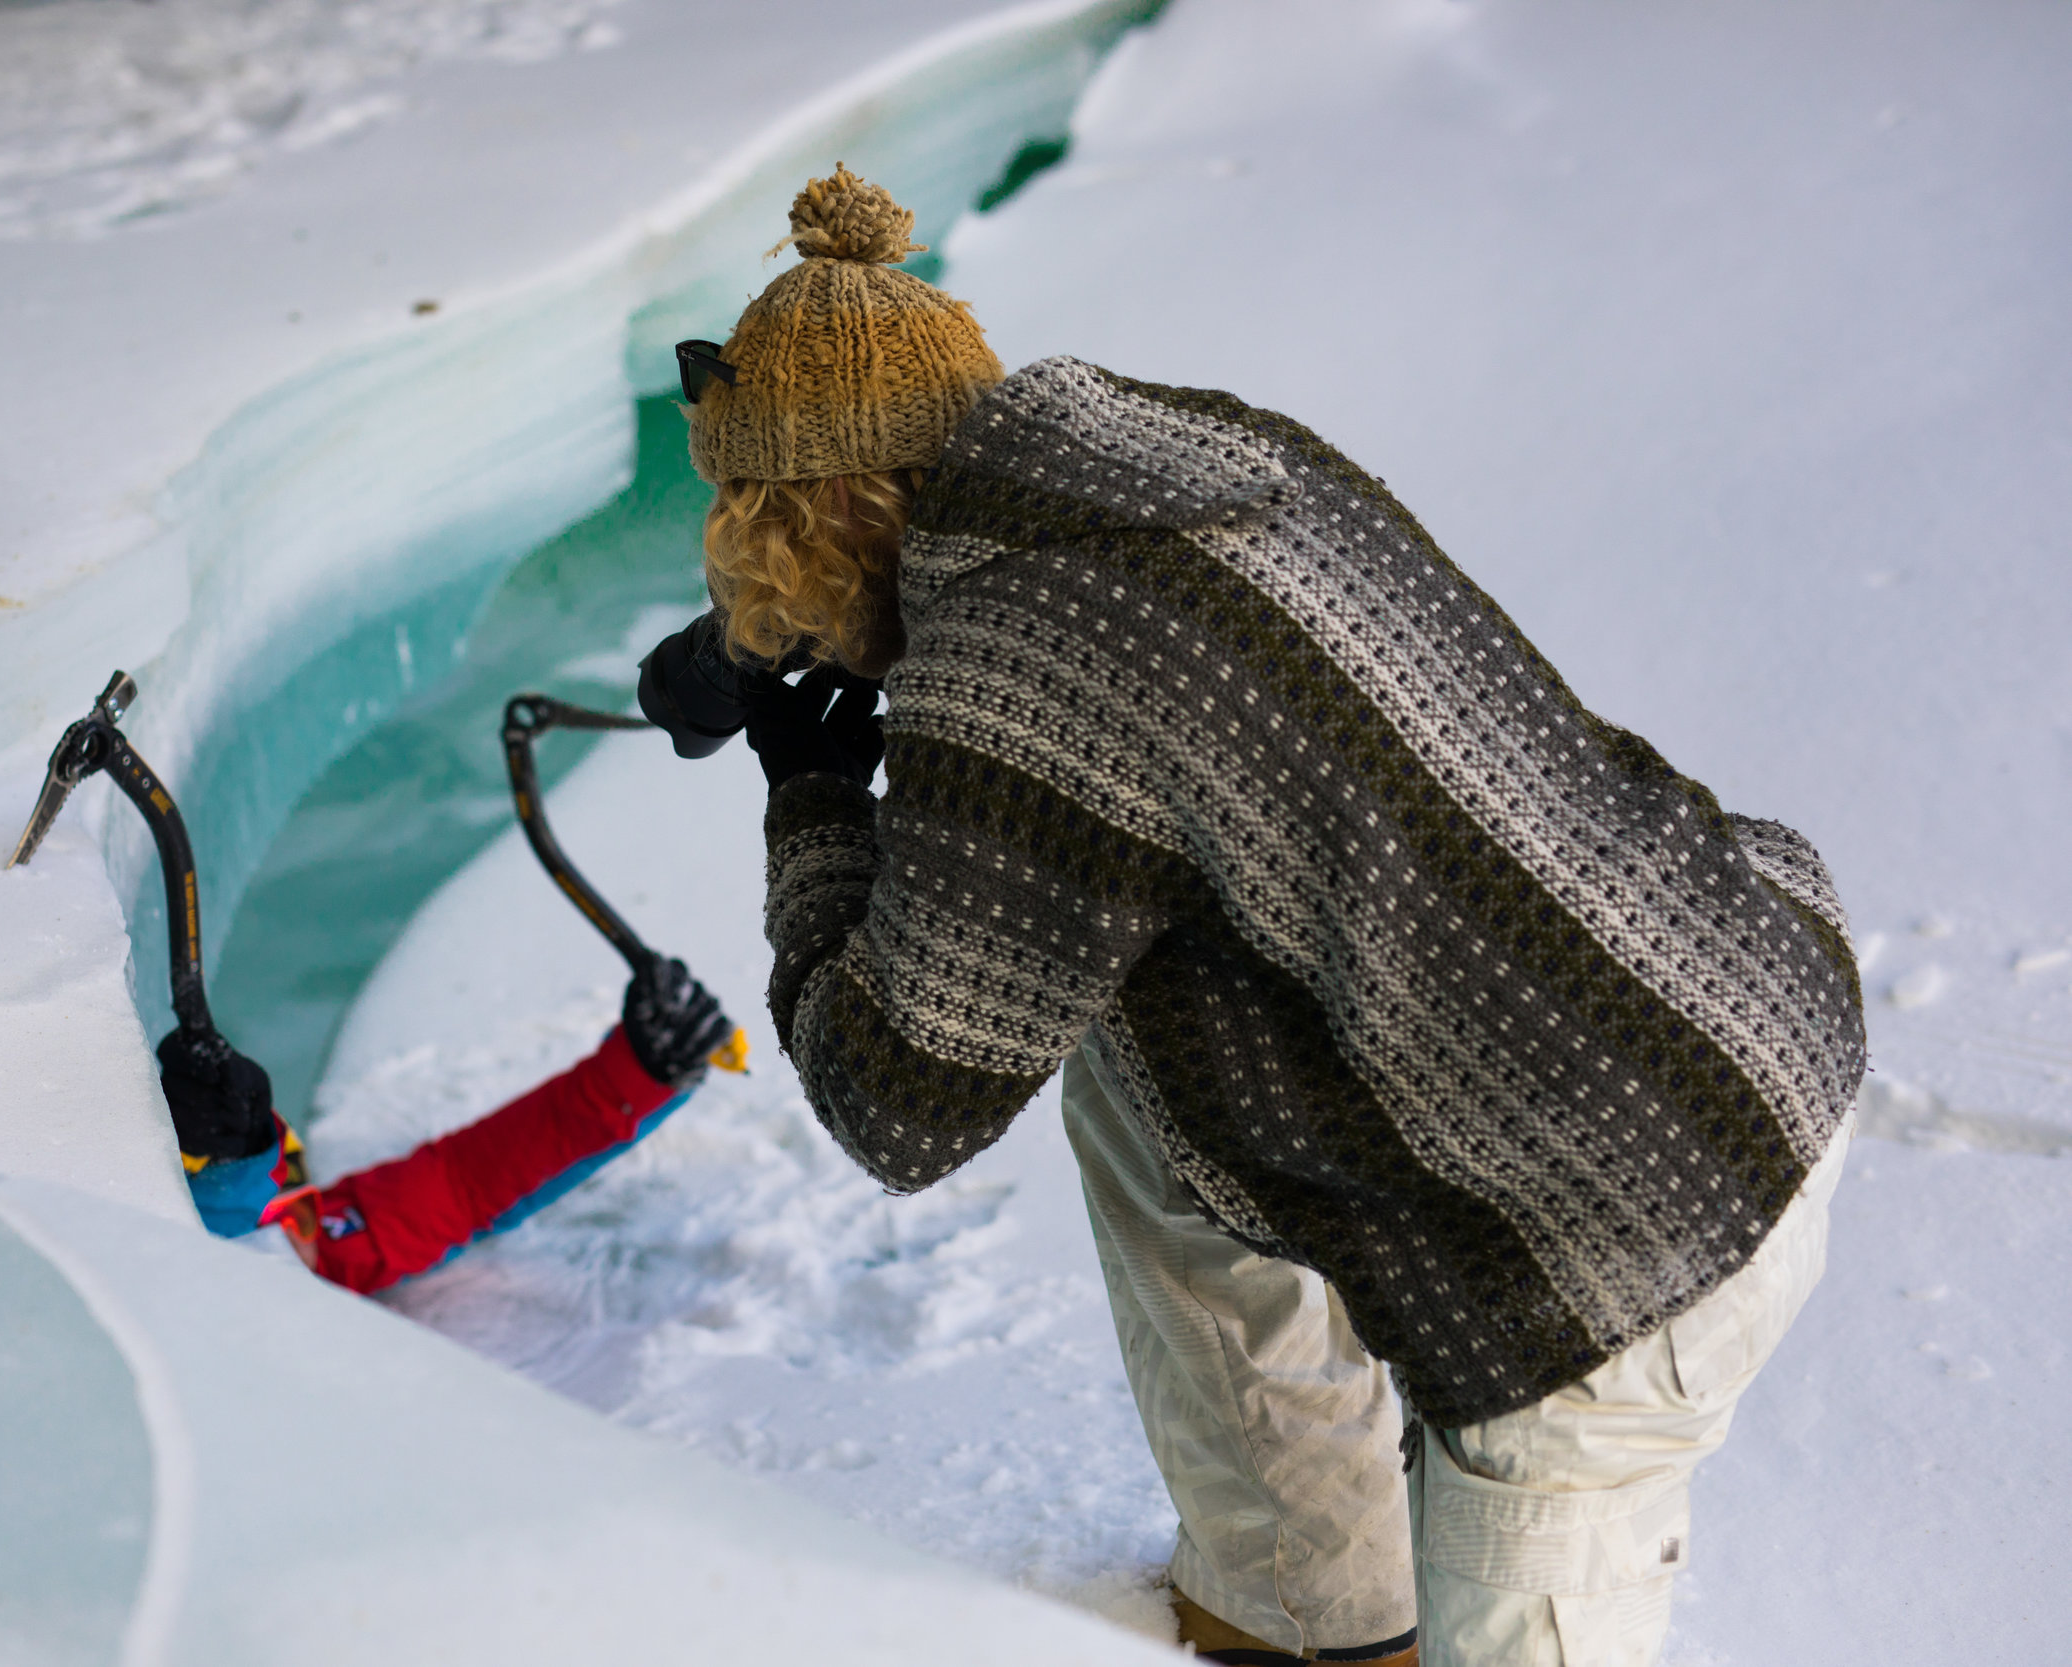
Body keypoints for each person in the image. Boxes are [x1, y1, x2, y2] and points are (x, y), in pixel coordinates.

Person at [663, 166, 1865, 1667]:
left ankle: (1355, 1594)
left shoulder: (1011, 661)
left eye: (756, 541)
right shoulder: (1169, 443)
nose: (761, 586)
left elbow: (895, 1101)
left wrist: (816, 791)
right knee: (1119, 1006)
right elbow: (1085, 699)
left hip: (1621, 1243)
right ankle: (1301, 1593)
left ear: (823, 515)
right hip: (1730, 982)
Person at [169, 957, 732, 1295]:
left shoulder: (324, 1250)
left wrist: (637, 1074)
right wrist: (232, 1187)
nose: (299, 1229)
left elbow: (458, 1187)